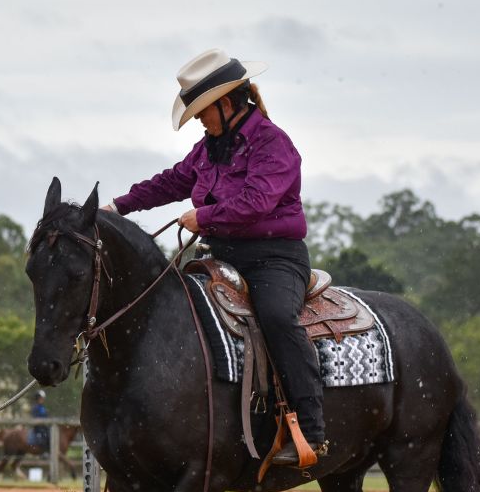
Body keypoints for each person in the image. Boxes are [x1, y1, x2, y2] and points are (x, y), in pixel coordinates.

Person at [104, 48, 327, 465]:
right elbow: (171, 181)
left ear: (225, 104)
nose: (201, 121)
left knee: (278, 317)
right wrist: (118, 207)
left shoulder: (274, 144)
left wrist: (203, 216)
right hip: (221, 255)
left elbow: (257, 202)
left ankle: (311, 427)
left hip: (275, 258)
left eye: (203, 112)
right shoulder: (209, 147)